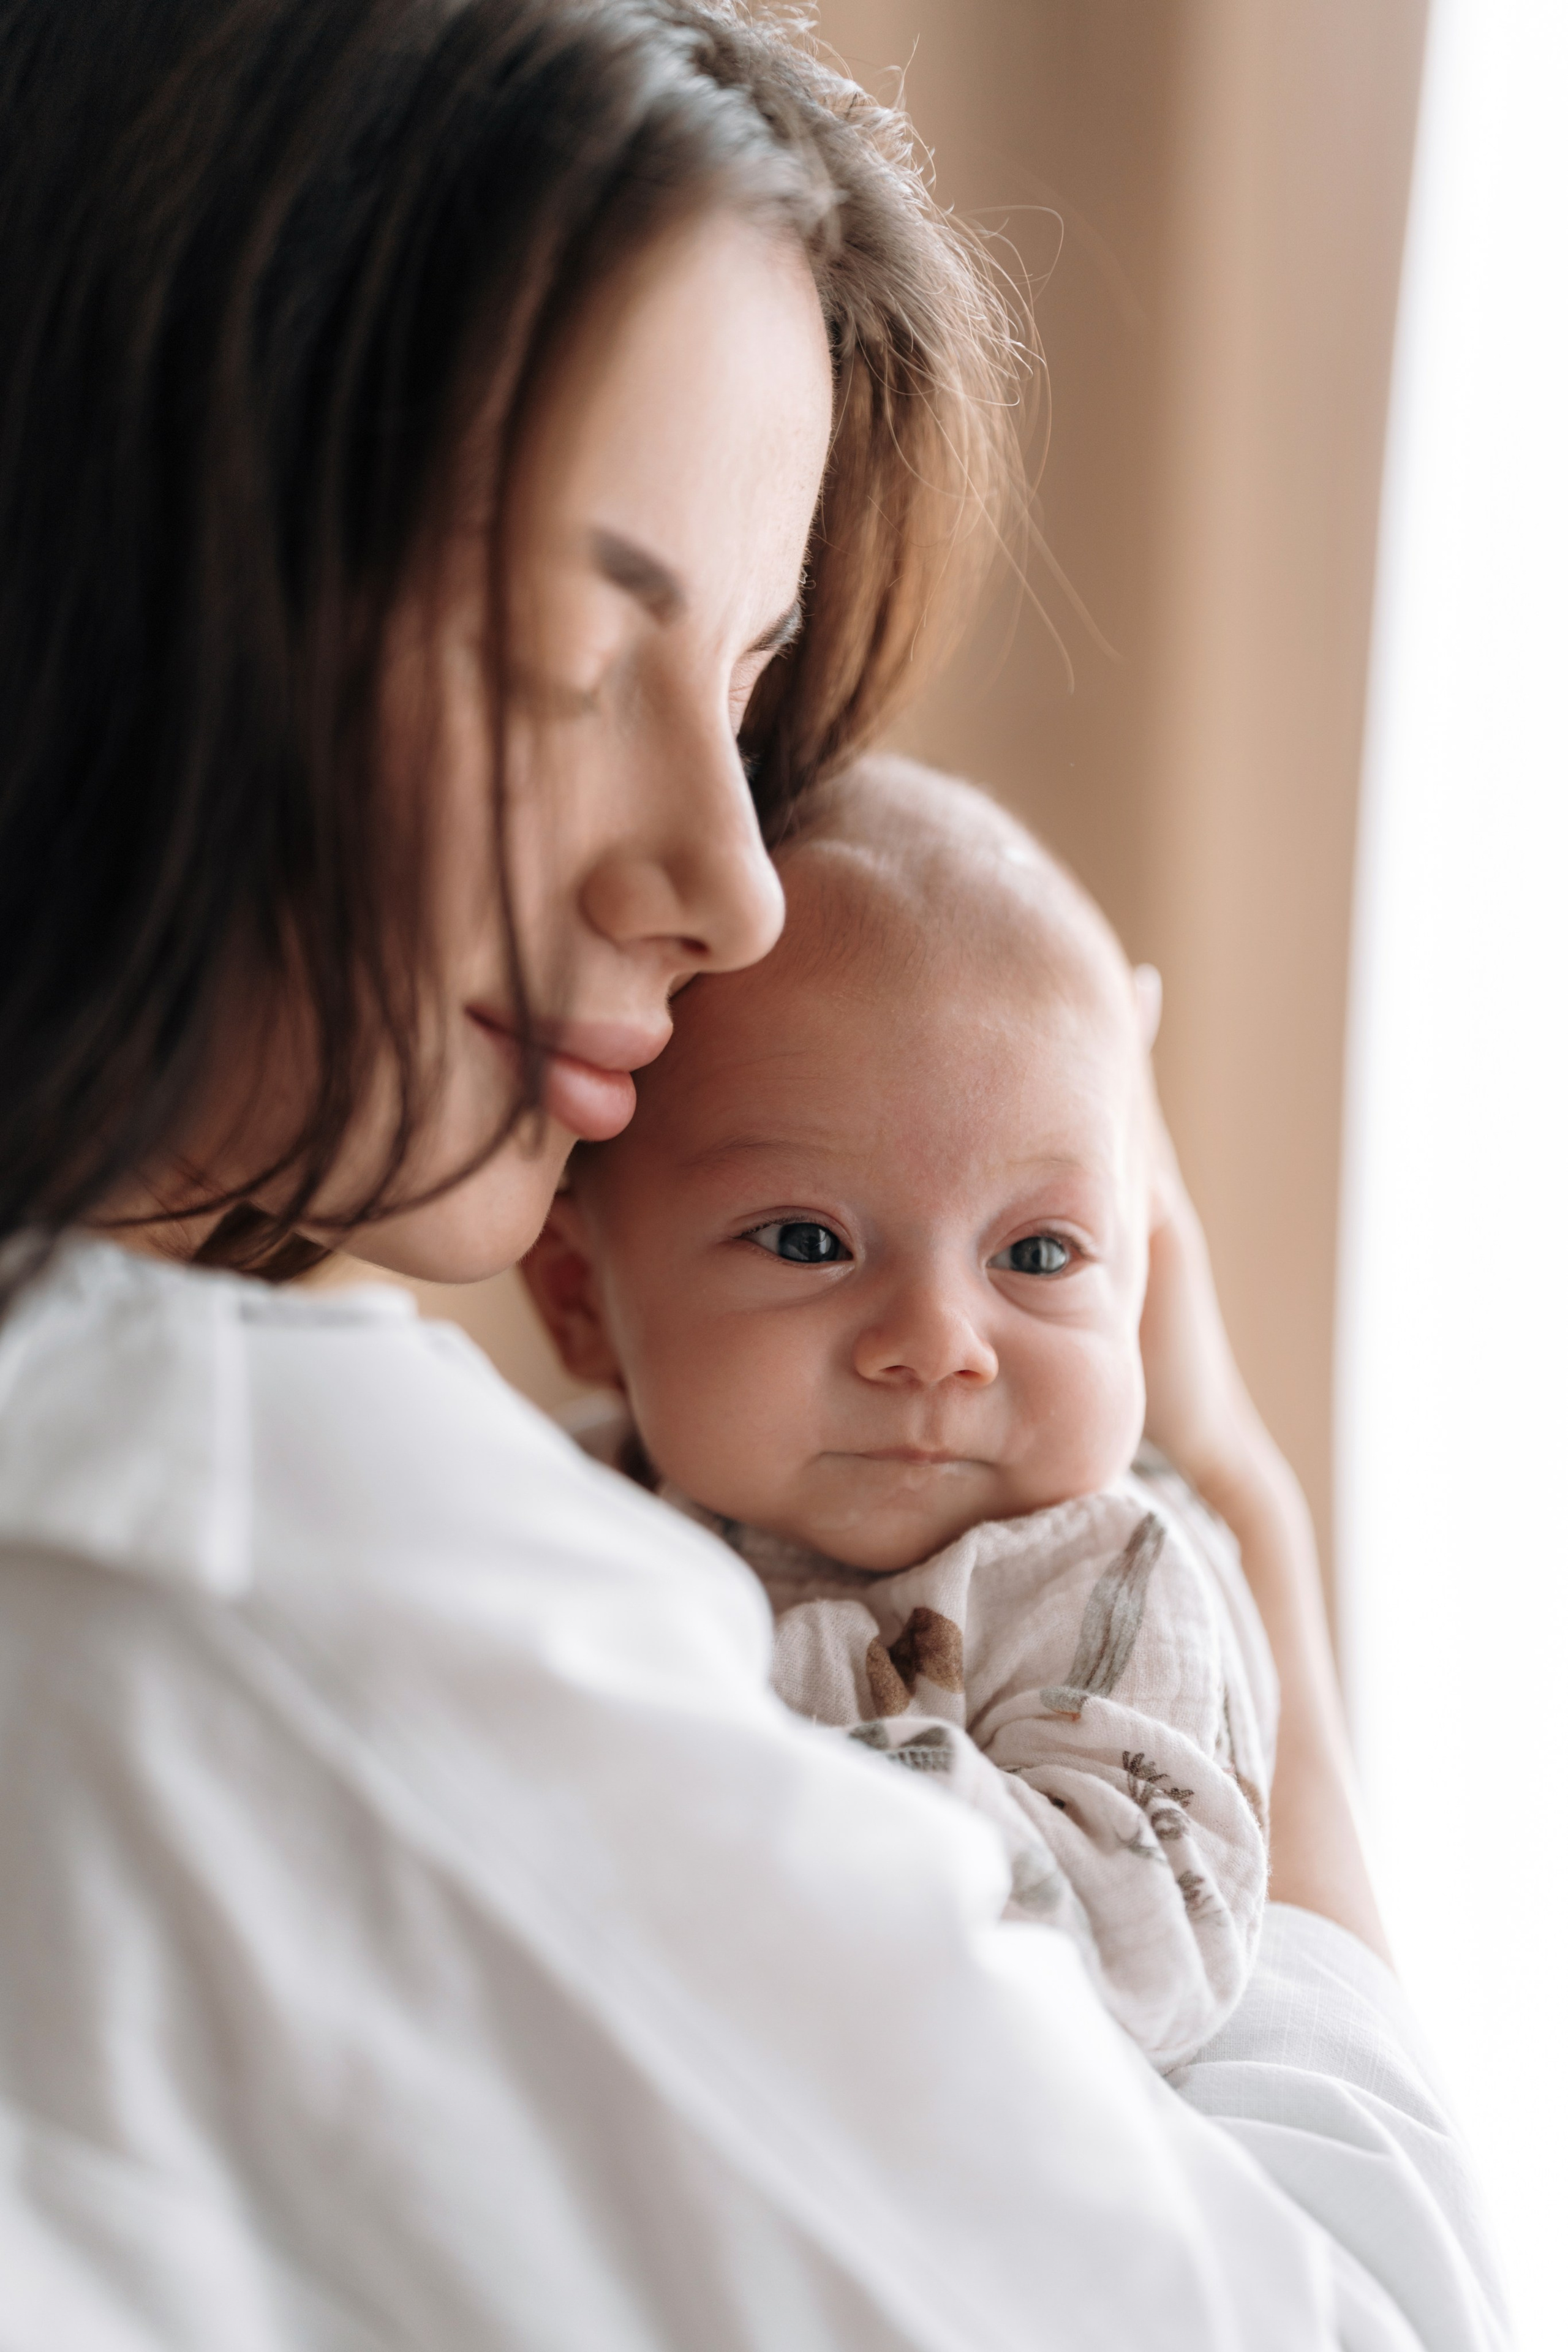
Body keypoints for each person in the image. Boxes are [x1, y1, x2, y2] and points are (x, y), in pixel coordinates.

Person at [0, 1, 1506, 2345]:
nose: (731, 881)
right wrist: (1257, 1545)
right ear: (120, 536)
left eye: (747, 680)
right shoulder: (244, 1573)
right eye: (573, 655)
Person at [526, 759, 1280, 2072]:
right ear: (578, 1297)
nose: (937, 1344)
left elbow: (1140, 1950)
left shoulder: (1110, 1570)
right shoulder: (549, 1517)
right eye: (809, 1240)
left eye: (1038, 1257)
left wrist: (740, 1762)